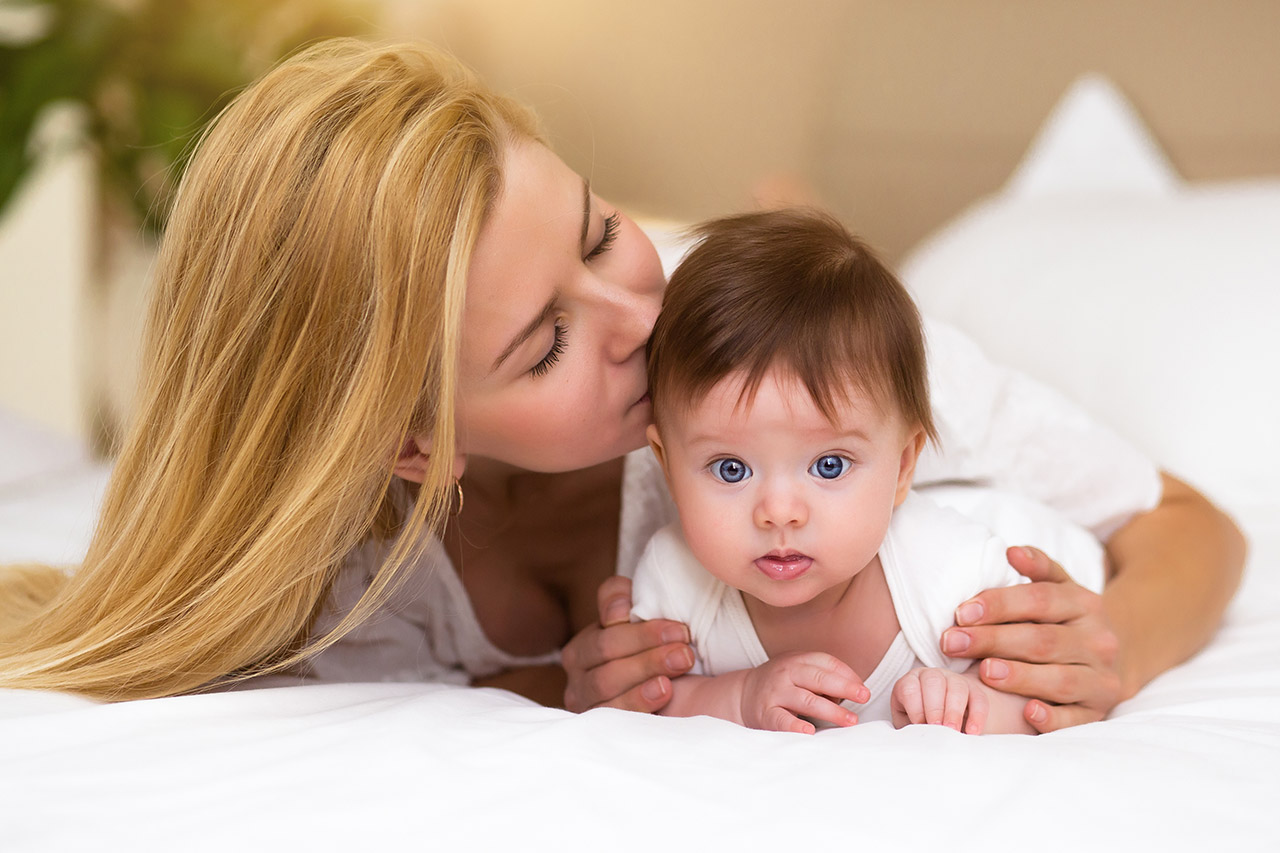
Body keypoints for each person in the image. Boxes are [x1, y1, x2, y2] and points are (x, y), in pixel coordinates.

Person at [0, 41, 1244, 733]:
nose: (640, 321)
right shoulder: (343, 580)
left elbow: (1187, 522)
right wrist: (570, 685)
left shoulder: (801, 351)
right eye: (540, 344)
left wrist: (1117, 645)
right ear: (412, 447)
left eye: (599, 233)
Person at [630, 208, 1113, 734]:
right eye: (729, 469)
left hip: (1031, 532)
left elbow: (1053, 689)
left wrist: (972, 701)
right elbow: (656, 703)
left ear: (904, 465)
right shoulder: (674, 580)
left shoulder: (956, 576)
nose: (779, 512)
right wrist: (739, 696)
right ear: (669, 469)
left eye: (829, 465)